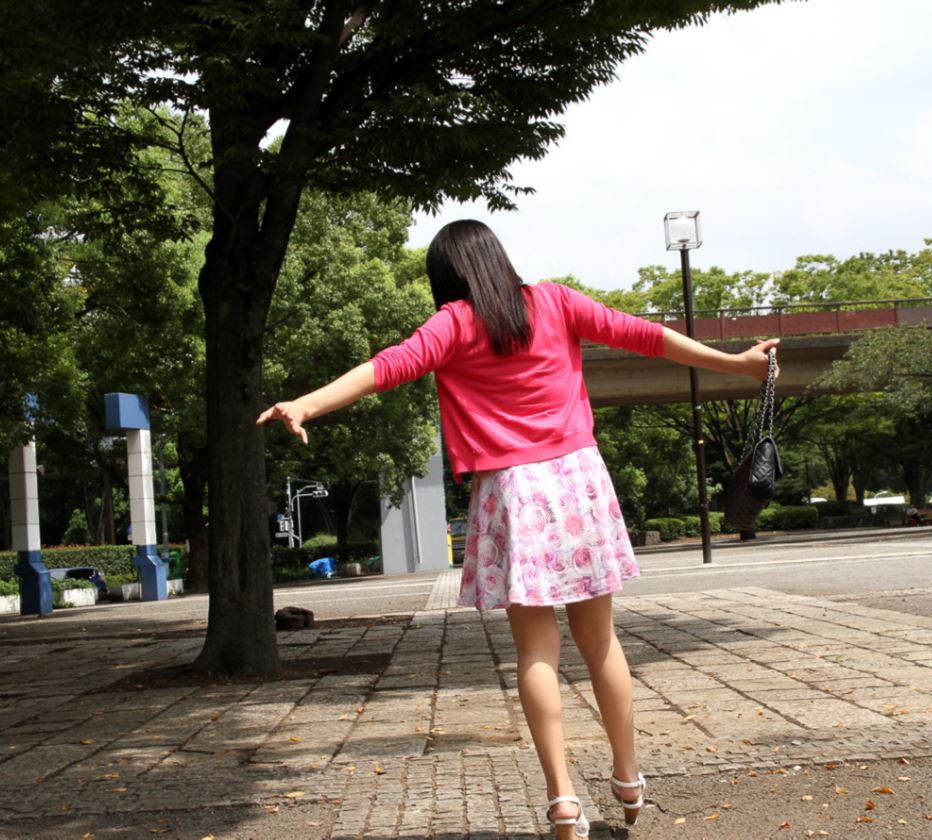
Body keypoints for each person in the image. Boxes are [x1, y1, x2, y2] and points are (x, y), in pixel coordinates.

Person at [258, 220, 778, 838]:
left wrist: (306, 403)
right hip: (578, 479)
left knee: (535, 652)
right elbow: (644, 335)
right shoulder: (555, 301)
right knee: (601, 642)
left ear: (446, 276)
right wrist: (735, 364)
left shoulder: (453, 323)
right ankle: (628, 774)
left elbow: (388, 366)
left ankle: (562, 798)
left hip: (510, 490)